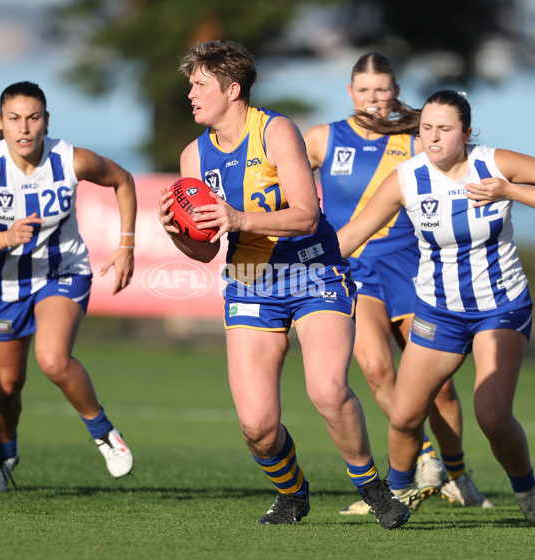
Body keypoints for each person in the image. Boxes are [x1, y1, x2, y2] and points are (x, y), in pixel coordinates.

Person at [157, 39, 411, 529]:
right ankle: (292, 494)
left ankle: (373, 489)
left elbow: (306, 214)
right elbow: (207, 249)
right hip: (250, 279)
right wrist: (177, 233)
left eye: (199, 85)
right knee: (256, 425)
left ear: (232, 89)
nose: (190, 94)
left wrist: (237, 217)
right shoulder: (193, 156)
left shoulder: (276, 131)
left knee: (328, 390)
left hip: (313, 268)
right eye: (190, 85)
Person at [303, 52, 491, 513]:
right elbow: (282, 179)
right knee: (375, 369)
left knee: (440, 386)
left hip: (411, 269)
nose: (373, 99)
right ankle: (422, 459)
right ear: (350, 93)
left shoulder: (416, 137)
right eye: (364, 90)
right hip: (354, 270)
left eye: (382, 90)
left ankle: (458, 474)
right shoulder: (324, 138)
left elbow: (460, 175)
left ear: (396, 93)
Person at [336, 89, 535, 523]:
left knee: (492, 416)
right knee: (405, 416)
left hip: (499, 307)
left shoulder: (493, 163)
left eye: (444, 129)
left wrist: (509, 190)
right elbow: (353, 235)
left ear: (465, 133)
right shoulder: (407, 177)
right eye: (426, 128)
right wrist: (295, 261)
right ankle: (399, 495)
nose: (433, 137)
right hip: (438, 311)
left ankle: (528, 494)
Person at [0, 81, 136, 492]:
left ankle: (105, 434)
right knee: (5, 387)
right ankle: (5, 455)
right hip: (6, 285)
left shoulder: (71, 159)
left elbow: (123, 181)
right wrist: (5, 238)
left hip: (64, 272)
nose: (24, 128)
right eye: (15, 119)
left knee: (53, 360)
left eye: (33, 118)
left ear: (46, 121)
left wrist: (126, 246)